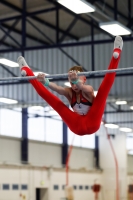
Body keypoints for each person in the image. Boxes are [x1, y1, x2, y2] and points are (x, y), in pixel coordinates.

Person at [17, 36, 123, 136]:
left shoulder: (88, 89)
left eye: (76, 81)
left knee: (103, 92)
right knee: (51, 100)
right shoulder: (69, 92)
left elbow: (81, 87)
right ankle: (28, 72)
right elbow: (58, 89)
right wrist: (46, 82)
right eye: (71, 83)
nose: (74, 85)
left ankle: (116, 53)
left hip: (93, 122)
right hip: (76, 125)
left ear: (84, 79)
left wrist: (76, 81)